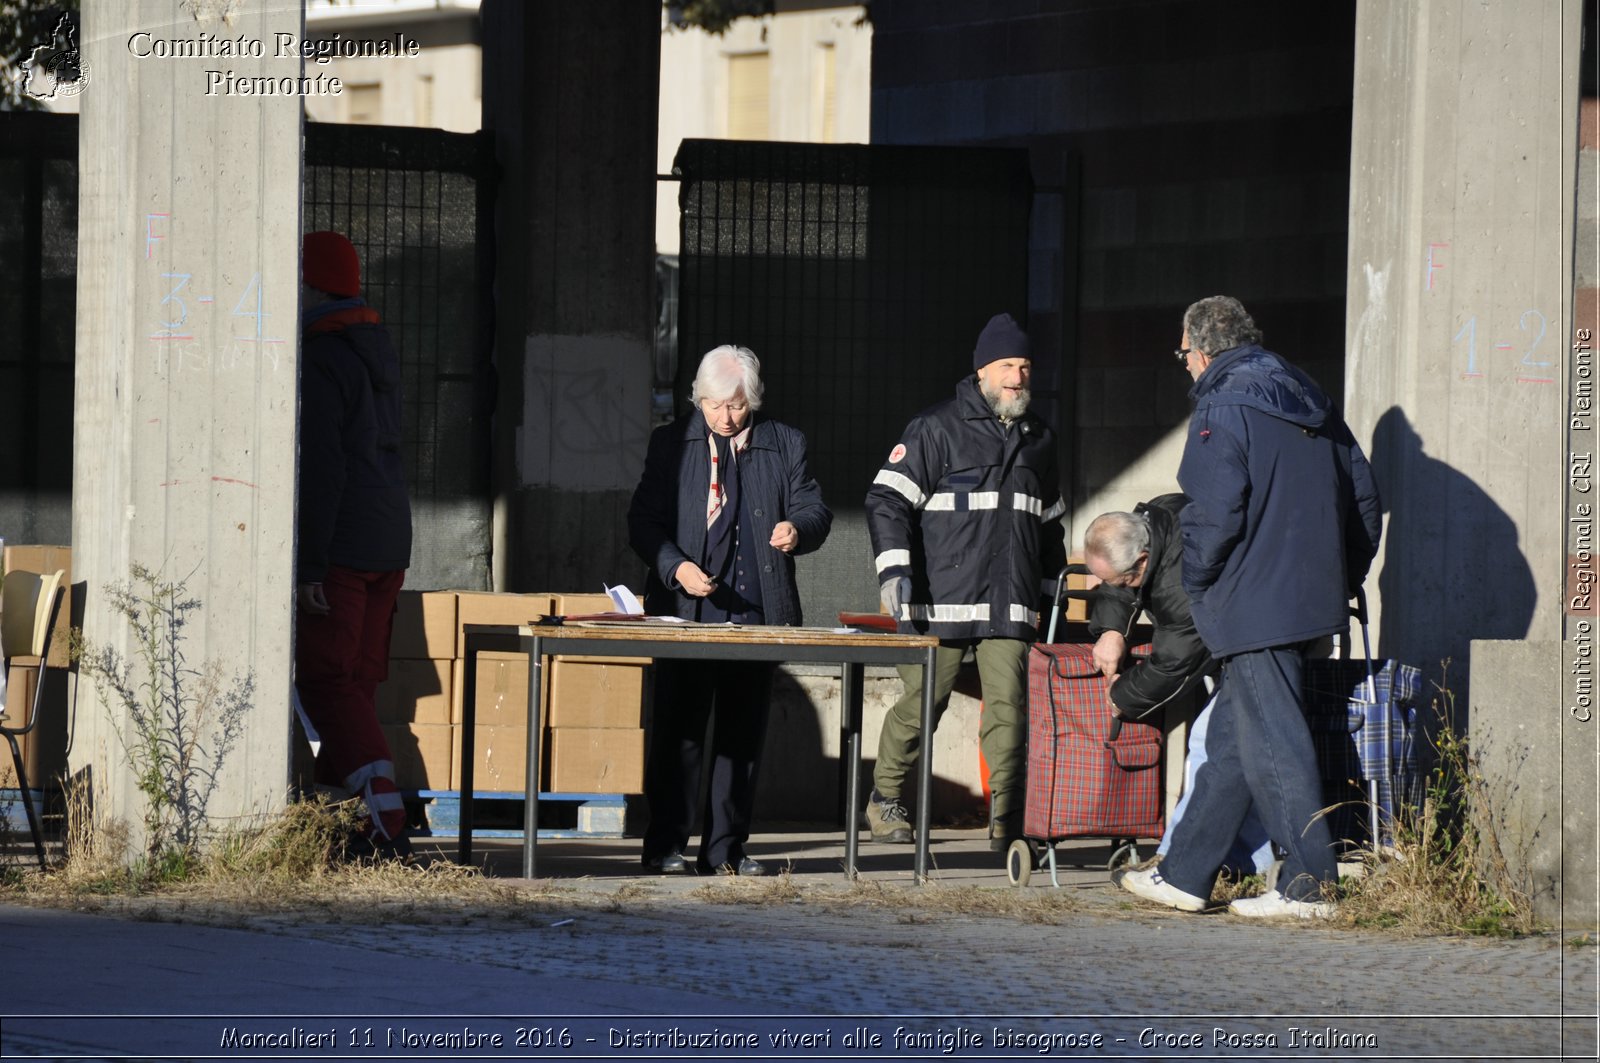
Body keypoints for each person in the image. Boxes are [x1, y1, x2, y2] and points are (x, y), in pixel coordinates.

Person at [1117, 295, 1381, 919]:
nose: (1185, 366)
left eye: (1183, 354)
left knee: (1274, 744)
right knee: (1240, 735)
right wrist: (1343, 576)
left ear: (1203, 349)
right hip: (1310, 597)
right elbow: (1364, 497)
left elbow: (1213, 511)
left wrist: (1203, 584)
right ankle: (1184, 874)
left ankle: (1309, 887)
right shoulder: (1311, 398)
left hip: (1253, 602)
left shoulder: (1223, 403)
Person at [864, 312, 1066, 851]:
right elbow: (886, 500)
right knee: (924, 701)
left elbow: (1050, 527)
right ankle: (884, 800)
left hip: (1011, 602)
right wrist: (895, 571)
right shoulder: (935, 428)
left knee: (1010, 709)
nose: (1017, 377)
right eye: (1006, 366)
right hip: (939, 598)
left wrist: (1052, 598)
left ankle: (1009, 821)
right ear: (981, 371)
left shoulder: (1040, 439)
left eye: (1024, 366)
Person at [628, 345, 832, 876]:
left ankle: (726, 850)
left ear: (753, 402)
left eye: (736, 406)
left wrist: (797, 529)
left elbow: (814, 508)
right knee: (680, 733)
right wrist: (675, 567)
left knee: (741, 737)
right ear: (698, 400)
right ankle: (665, 845)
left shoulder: (784, 443)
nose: (724, 416)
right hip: (685, 612)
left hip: (756, 611)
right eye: (714, 405)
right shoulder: (671, 443)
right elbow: (643, 523)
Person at [296, 230, 413, 855]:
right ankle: (339, 828)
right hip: (389, 537)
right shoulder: (375, 351)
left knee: (325, 681)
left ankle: (386, 820)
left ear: (309, 284)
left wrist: (309, 563)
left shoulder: (320, 358)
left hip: (343, 541)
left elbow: (323, 468)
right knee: (356, 684)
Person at [1083, 495, 1272, 880]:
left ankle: (1174, 862)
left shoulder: (1177, 582)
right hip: (1240, 635)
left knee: (1208, 746)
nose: (1116, 586)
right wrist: (1112, 630)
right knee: (1227, 748)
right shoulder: (1151, 519)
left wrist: (1122, 698)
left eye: (1122, 579)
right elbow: (1120, 586)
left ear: (1143, 560)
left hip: (1255, 641)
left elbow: (1176, 660)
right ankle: (1250, 862)